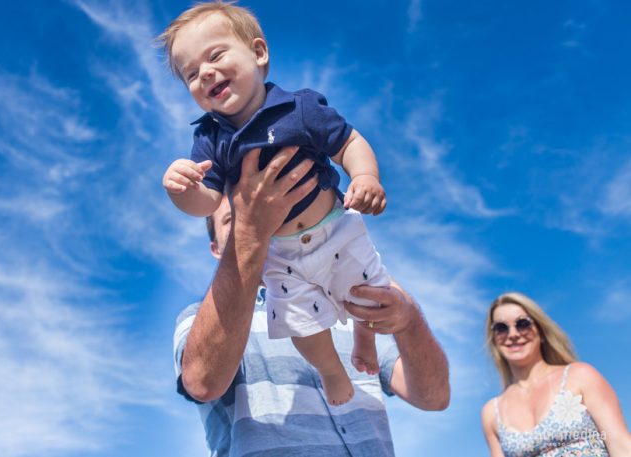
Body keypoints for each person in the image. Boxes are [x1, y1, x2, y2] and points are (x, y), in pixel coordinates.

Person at [160, 1, 392, 405]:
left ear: (259, 52)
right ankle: (332, 373)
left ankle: (366, 343)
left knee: (370, 291)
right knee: (300, 324)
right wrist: (182, 190)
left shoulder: (299, 108)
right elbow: (208, 201)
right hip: (281, 254)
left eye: (215, 56)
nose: (206, 74)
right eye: (192, 74)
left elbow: (349, 143)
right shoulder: (210, 139)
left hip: (334, 228)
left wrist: (366, 177)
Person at [172, 146, 449, 456]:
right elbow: (203, 383)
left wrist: (409, 321)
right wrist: (249, 232)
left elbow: (433, 396)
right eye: (232, 221)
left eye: (268, 212)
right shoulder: (197, 318)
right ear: (215, 248)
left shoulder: (342, 297)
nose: (261, 220)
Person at [481, 292, 631, 457]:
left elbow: (621, 446)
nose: (513, 334)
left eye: (522, 323)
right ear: (493, 338)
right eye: (501, 328)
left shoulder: (581, 377)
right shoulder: (492, 413)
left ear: (541, 331)